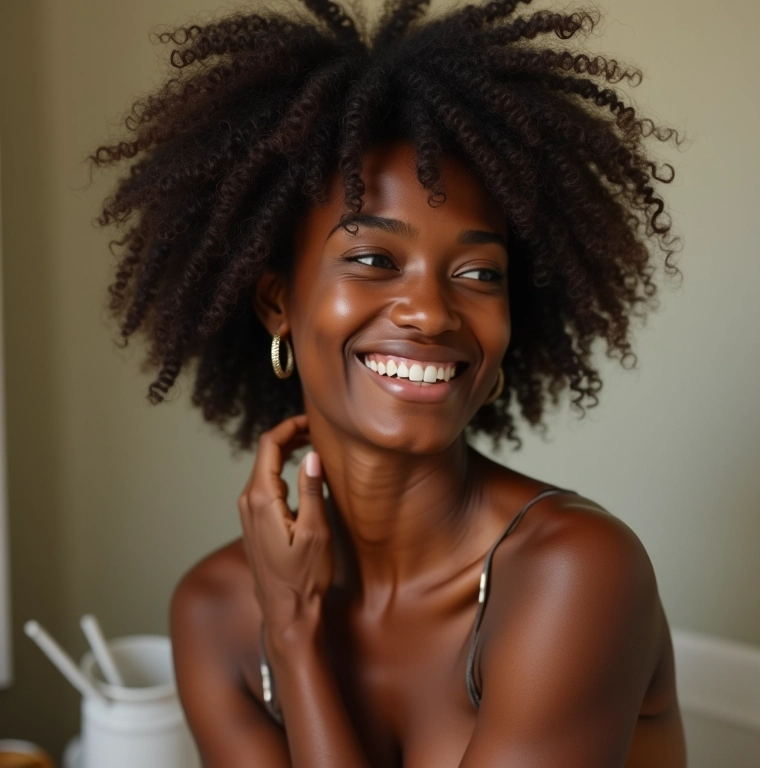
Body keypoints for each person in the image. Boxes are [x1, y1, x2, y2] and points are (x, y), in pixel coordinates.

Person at [90, 0, 687, 764]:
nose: (433, 314)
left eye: (479, 273)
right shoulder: (215, 609)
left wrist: (295, 640)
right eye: (373, 260)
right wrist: (281, 619)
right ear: (278, 300)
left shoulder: (577, 572)